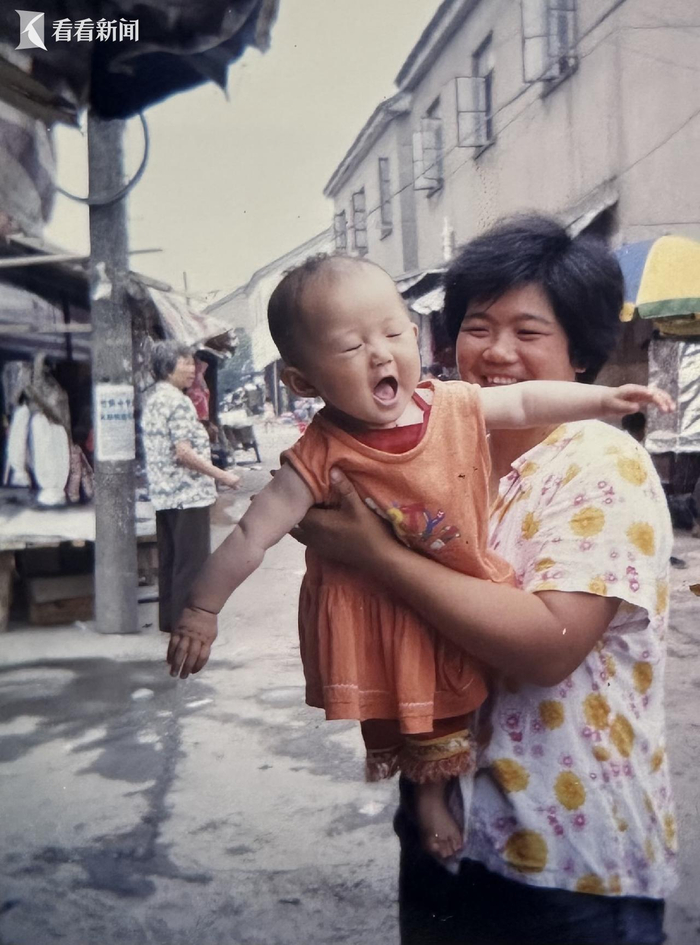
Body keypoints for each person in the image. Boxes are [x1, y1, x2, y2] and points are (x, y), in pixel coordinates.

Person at [165, 253, 671, 863]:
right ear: (303, 381)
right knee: (407, 695)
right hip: (432, 740)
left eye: (393, 333)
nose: (381, 355)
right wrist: (201, 608)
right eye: (478, 329)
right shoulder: (321, 454)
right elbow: (251, 535)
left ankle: (432, 796)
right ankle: (428, 797)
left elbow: (529, 403)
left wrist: (602, 401)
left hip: (566, 852)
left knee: (432, 689)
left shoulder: (479, 420)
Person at [286, 218, 678, 945]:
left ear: (580, 353)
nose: (496, 352)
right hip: (448, 829)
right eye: (478, 325)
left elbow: (546, 646)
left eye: (528, 331)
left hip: (564, 861)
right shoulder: (442, 445)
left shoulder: (597, 460)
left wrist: (378, 555)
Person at [141, 341, 240, 635]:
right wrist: (222, 475)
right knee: (191, 564)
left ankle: (170, 620)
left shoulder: (153, 398)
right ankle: (187, 627)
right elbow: (182, 453)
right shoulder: (177, 401)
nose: (192, 370)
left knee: (172, 560)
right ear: (167, 367)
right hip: (188, 494)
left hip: (165, 494)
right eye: (185, 363)